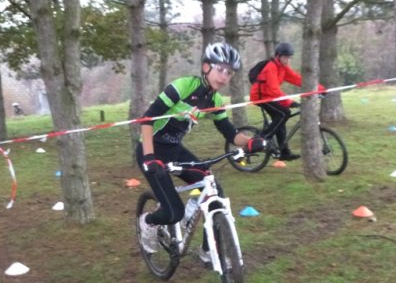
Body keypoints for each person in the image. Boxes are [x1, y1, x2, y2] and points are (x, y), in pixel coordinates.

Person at [136, 42, 265, 257]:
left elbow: (229, 132)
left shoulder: (215, 99)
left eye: (229, 73)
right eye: (220, 69)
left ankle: (208, 250)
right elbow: (148, 118)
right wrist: (149, 158)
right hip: (151, 151)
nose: (224, 76)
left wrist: (250, 142)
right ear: (206, 67)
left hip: (175, 150)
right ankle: (147, 222)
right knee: (173, 212)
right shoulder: (183, 86)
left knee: (213, 190)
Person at [249, 42, 325, 161]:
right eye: (285, 57)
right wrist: (289, 102)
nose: (287, 60)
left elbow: (297, 79)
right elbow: (274, 89)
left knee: (281, 120)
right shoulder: (271, 67)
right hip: (260, 97)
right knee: (284, 113)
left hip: (270, 96)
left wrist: (319, 89)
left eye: (289, 58)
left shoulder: (283, 68)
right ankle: (263, 138)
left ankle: (284, 153)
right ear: (278, 56)